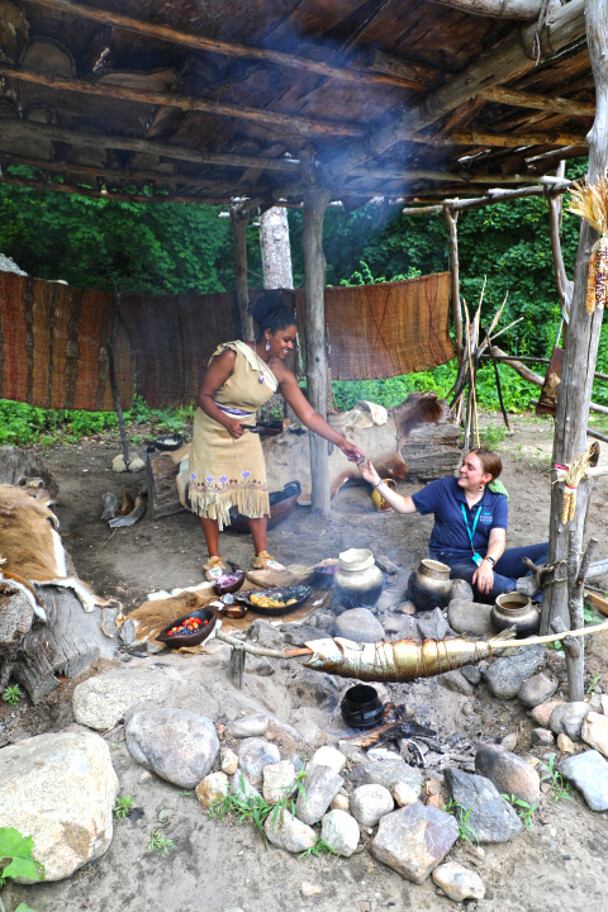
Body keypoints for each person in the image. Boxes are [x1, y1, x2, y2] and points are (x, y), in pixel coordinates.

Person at [189, 290, 364, 580]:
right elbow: (204, 396)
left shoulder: (281, 373)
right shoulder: (233, 355)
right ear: (268, 334)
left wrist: (342, 442)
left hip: (243, 430)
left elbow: (308, 415)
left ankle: (262, 556)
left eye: (293, 341)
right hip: (212, 428)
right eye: (286, 339)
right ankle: (214, 559)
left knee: (256, 490)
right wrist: (224, 420)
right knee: (212, 494)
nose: (290, 346)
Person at [359, 446, 548, 603]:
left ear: (486, 478)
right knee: (493, 582)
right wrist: (376, 482)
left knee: (549, 549)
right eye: (463, 464)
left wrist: (488, 564)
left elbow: (497, 540)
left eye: (470, 467)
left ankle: (527, 593)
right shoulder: (444, 488)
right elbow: (405, 505)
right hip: (449, 560)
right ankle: (527, 593)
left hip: (484, 558)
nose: (462, 469)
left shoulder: (497, 500)